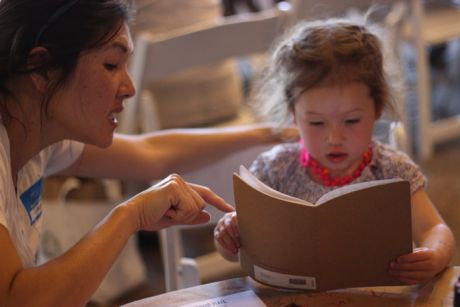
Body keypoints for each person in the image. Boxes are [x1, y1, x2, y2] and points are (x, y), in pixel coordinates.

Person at [0, 0, 298, 305]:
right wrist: (132, 214)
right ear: (42, 69)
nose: (129, 87)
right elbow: (18, 300)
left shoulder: (38, 134)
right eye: (111, 65)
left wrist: (269, 133)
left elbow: (152, 153)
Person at [214, 17, 455, 286]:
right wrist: (229, 237)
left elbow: (435, 228)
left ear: (377, 108)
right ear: (294, 113)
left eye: (352, 121)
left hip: (376, 296)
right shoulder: (274, 170)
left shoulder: (392, 170)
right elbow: (236, 252)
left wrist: (435, 253)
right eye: (317, 123)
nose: (335, 138)